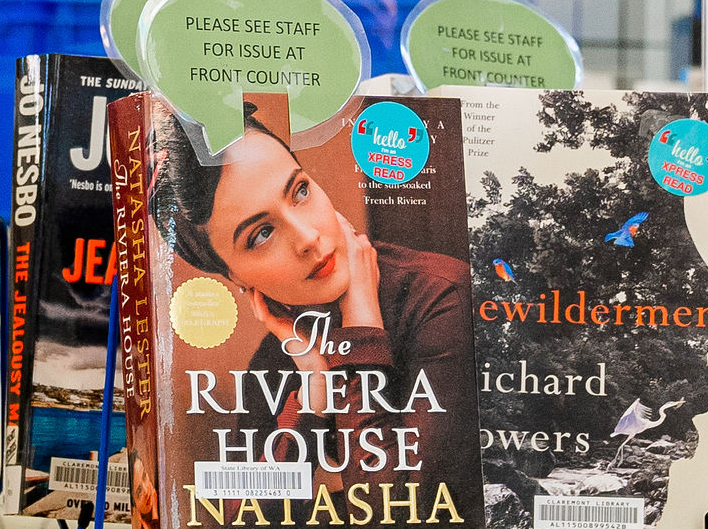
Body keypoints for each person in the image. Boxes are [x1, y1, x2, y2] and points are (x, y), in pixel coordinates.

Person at [154, 110, 476, 499]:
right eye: (261, 234)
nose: (307, 237)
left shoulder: (442, 297)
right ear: (236, 277)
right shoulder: (277, 358)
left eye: (300, 191)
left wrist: (361, 332)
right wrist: (314, 383)